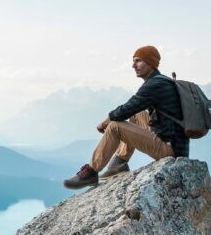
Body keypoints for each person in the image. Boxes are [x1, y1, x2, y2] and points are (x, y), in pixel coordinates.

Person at [63, 45, 189, 189]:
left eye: (138, 61)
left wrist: (105, 122)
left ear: (151, 63)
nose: (133, 65)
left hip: (170, 150)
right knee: (137, 115)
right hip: (171, 140)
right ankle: (119, 164)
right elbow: (133, 109)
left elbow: (126, 109)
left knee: (115, 126)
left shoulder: (155, 85)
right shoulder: (162, 81)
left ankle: (91, 172)